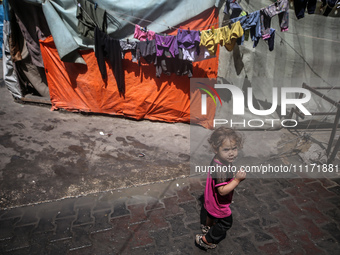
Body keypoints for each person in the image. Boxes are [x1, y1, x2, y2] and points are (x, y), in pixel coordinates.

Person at [195, 127, 246, 249]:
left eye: (234, 148)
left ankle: (207, 227)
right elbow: (222, 191)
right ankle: (206, 240)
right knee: (226, 223)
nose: (231, 153)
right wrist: (237, 180)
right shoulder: (221, 169)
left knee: (211, 214)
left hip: (210, 198)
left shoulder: (218, 159)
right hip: (219, 203)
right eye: (226, 149)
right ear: (215, 149)